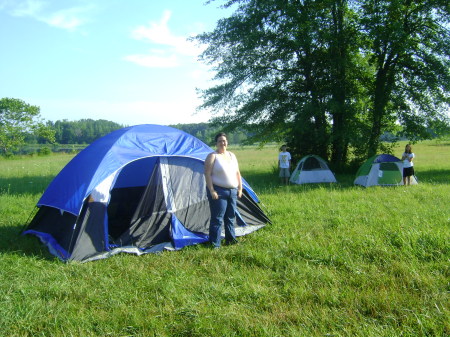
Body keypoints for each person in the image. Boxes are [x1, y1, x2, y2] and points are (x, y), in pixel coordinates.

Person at [204, 132, 243, 248]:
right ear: (216, 143)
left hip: (232, 191)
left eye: (224, 141)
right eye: (220, 141)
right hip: (218, 191)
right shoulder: (213, 156)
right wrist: (212, 190)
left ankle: (230, 240)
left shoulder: (232, 155)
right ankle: (215, 244)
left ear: (227, 142)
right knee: (217, 218)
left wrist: (240, 188)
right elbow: (207, 174)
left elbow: (237, 173)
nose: (222, 143)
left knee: (230, 217)